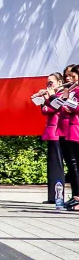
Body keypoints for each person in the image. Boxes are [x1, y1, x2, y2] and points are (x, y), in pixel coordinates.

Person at [35, 72, 66, 204]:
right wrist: (41, 100)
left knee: (57, 165)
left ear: (59, 83)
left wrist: (47, 98)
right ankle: (52, 196)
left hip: (57, 132)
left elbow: (53, 108)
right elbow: (45, 110)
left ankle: (58, 196)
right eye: (47, 83)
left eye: (51, 83)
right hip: (51, 131)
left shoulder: (61, 94)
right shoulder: (52, 95)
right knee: (52, 165)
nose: (48, 85)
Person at [60, 65, 79, 210]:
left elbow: (75, 107)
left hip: (76, 128)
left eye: (73, 77)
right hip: (71, 129)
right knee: (73, 165)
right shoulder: (73, 90)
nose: (70, 79)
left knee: (76, 165)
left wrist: (67, 101)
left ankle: (77, 197)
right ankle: (76, 195)